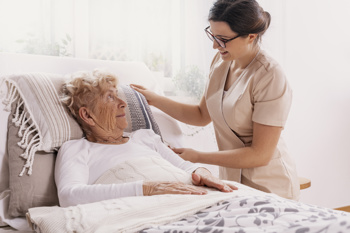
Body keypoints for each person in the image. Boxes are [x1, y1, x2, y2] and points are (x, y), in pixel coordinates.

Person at [131, 0, 300, 200]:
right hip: (232, 182)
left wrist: (197, 156)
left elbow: (260, 154)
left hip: (270, 185)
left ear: (251, 37)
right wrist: (154, 99)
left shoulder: (270, 76)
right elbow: (201, 115)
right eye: (212, 35)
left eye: (222, 39)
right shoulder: (222, 60)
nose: (214, 45)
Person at [55, 69, 236, 207]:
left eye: (117, 95)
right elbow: (69, 195)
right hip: (151, 210)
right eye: (110, 97)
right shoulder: (76, 149)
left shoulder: (146, 137)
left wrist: (202, 171)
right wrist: (147, 189)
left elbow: (184, 166)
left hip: (196, 200)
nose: (123, 103)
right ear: (87, 115)